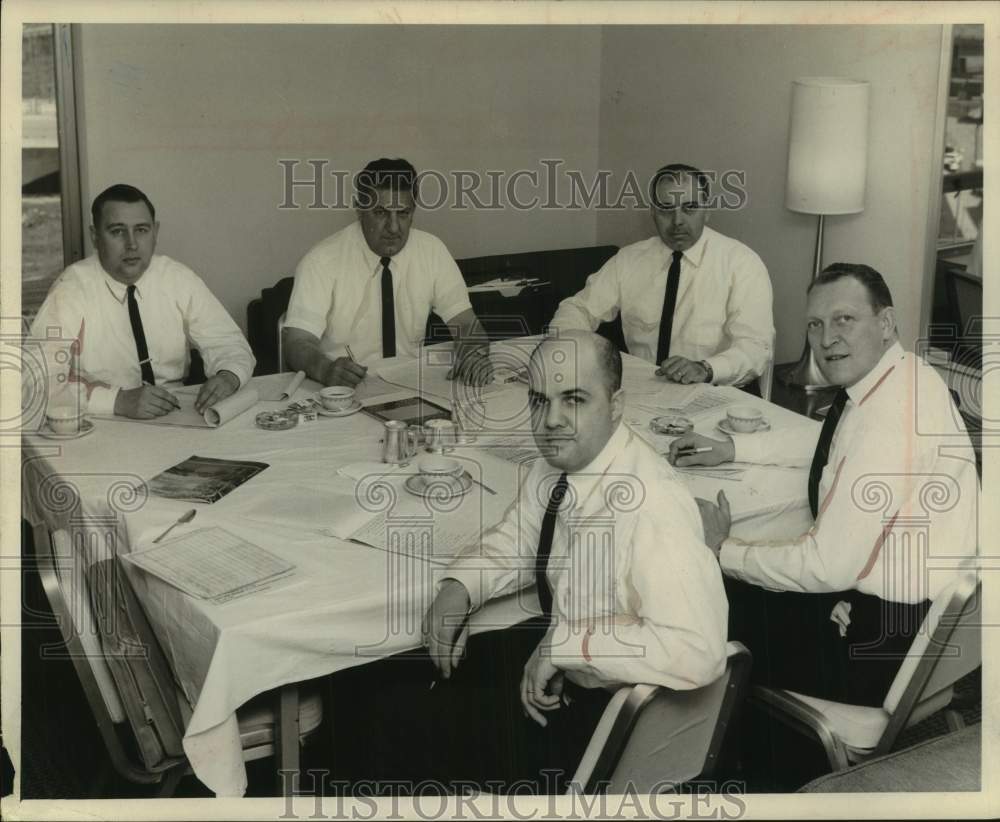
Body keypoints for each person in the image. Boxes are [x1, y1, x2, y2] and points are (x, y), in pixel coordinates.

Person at [421, 329, 728, 790]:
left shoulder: (651, 506)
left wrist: (565, 646)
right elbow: (521, 536)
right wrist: (459, 586)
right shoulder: (560, 464)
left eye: (575, 400)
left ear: (617, 405)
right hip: (567, 689)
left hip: (613, 728)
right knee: (406, 705)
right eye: (540, 401)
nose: (551, 420)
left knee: (417, 743)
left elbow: (699, 651)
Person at [668, 263, 979, 707]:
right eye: (815, 323)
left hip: (881, 648)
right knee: (752, 575)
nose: (826, 338)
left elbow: (826, 567)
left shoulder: (886, 422)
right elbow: (829, 444)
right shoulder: (905, 377)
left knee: (705, 597)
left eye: (844, 319)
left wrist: (723, 550)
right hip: (925, 630)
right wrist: (733, 449)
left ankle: (728, 752)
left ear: (886, 323)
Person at [29, 184, 255, 419]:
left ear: (155, 232)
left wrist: (228, 376)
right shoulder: (71, 290)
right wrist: (116, 400)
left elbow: (230, 343)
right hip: (101, 420)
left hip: (175, 415)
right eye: (117, 231)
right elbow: (34, 381)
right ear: (95, 236)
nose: (132, 244)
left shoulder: (177, 278)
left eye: (141, 230)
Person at [550, 163, 773, 392]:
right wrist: (562, 350)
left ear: (707, 211)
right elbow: (578, 308)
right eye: (666, 209)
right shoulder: (629, 259)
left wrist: (705, 368)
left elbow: (756, 347)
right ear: (653, 212)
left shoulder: (742, 263)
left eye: (690, 208)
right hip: (644, 392)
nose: (677, 221)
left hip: (714, 393)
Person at [283, 158, 490, 387]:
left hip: (412, 382)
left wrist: (474, 353)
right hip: (343, 386)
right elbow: (296, 342)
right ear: (359, 209)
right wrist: (325, 369)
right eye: (380, 213)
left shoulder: (432, 250)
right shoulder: (321, 261)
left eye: (403, 213)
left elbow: (466, 323)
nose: (393, 227)